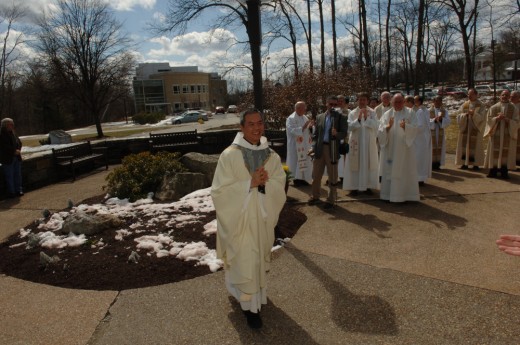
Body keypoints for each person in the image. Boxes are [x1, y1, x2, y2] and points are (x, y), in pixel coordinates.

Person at [211, 109, 286, 329]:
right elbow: (219, 192)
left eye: (260, 123)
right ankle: (248, 308)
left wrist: (265, 184)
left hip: (261, 219)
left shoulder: (271, 155)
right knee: (244, 262)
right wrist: (249, 184)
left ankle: (257, 298)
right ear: (242, 128)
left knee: (256, 262)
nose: (256, 128)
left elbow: (278, 184)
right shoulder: (230, 155)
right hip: (240, 222)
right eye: (251, 124)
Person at [378, 93, 420, 202]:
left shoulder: (410, 113)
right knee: (390, 169)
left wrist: (406, 127)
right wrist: (387, 127)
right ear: (392, 102)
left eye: (400, 101)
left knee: (405, 170)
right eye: (395, 102)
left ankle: (406, 196)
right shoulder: (387, 114)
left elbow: (416, 128)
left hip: (405, 150)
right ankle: (387, 195)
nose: (397, 104)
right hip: (390, 149)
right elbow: (380, 130)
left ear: (404, 102)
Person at [309, 95, 348, 208]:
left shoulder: (341, 117)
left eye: (335, 105)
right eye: (331, 104)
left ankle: (331, 199)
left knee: (332, 176)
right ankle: (315, 196)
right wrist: (314, 146)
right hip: (320, 148)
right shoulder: (320, 116)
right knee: (316, 175)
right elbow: (316, 134)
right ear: (326, 103)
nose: (333, 107)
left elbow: (344, 133)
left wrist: (337, 134)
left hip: (332, 149)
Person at [342, 92, 379, 195]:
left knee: (368, 163)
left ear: (367, 101)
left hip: (368, 142)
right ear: (357, 100)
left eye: (364, 99)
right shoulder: (352, 113)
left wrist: (367, 118)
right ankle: (353, 187)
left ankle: (367, 186)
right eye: (360, 99)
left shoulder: (372, 112)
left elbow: (376, 125)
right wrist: (358, 119)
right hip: (356, 142)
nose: (362, 101)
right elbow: (349, 127)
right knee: (354, 164)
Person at [483, 90, 519, 179]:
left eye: (506, 95)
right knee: (494, 152)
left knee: (505, 153)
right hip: (496, 134)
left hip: (507, 134)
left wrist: (507, 120)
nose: (504, 96)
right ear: (500, 96)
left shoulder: (514, 108)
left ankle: (504, 171)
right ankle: (493, 171)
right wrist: (497, 119)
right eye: (503, 95)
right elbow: (488, 120)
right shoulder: (494, 107)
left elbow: (517, 121)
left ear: (509, 96)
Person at [455, 88, 486, 170]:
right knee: (464, 146)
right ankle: (464, 163)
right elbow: (458, 115)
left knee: (476, 146)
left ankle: (476, 164)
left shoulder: (481, 105)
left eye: (471, 94)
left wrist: (474, 114)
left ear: (476, 95)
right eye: (468, 94)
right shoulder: (465, 104)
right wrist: (464, 115)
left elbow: (483, 117)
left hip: (475, 128)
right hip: (466, 128)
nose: (469, 96)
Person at [286, 101, 313, 186]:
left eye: (305, 108)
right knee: (296, 161)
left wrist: (311, 127)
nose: (304, 110)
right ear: (297, 108)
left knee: (305, 160)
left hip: (305, 145)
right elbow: (292, 131)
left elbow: (308, 130)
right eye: (303, 108)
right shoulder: (291, 118)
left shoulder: (305, 117)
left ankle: (303, 178)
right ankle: (296, 179)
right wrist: (304, 126)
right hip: (295, 145)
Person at [0, 118, 23, 198]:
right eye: (11, 124)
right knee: (9, 176)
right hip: (8, 159)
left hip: (16, 157)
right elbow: (4, 146)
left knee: (18, 175)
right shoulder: (1, 134)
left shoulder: (13, 133)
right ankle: (11, 192)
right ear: (6, 125)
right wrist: (13, 151)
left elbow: (19, 142)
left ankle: (18, 190)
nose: (13, 126)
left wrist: (18, 150)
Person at [413, 96, 432, 185]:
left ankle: (420, 178)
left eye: (415, 100)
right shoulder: (420, 110)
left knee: (420, 158)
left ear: (419, 101)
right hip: (420, 136)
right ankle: (419, 177)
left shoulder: (421, 111)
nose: (414, 102)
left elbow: (422, 125)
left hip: (421, 136)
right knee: (420, 158)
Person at [429, 96, 451, 170]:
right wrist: (434, 120)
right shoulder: (428, 111)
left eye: (439, 101)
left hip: (440, 131)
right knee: (431, 147)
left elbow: (448, 121)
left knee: (440, 148)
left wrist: (442, 119)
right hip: (432, 132)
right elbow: (426, 122)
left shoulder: (444, 111)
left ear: (441, 102)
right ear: (433, 102)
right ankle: (431, 163)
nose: (437, 103)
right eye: (436, 101)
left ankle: (438, 163)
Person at [511, 91, 520, 168]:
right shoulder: (508, 105)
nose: (512, 98)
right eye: (511, 96)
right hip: (511, 128)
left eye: (514, 97)